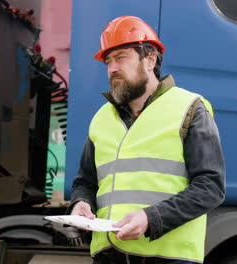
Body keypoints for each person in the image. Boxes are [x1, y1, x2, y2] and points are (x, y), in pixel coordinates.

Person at [69, 16, 226, 264]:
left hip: (169, 257)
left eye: (121, 57)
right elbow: (85, 182)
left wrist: (151, 218)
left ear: (150, 59)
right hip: (110, 257)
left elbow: (211, 187)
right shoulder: (102, 118)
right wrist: (81, 204)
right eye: (108, 61)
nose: (112, 68)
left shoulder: (190, 108)